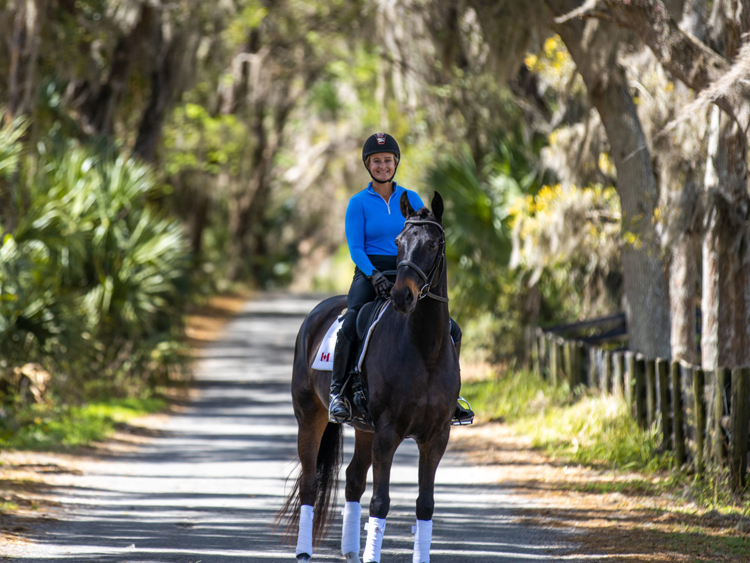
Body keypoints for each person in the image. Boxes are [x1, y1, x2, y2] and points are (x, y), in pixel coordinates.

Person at [328, 133, 474, 426]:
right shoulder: (358, 203)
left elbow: (423, 236)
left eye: (388, 161)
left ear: (395, 163)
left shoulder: (411, 198)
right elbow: (355, 248)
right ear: (368, 165)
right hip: (370, 273)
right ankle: (339, 392)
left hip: (409, 272)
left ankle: (450, 395)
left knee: (451, 329)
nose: (383, 166)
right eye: (377, 161)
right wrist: (373, 275)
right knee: (351, 323)